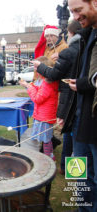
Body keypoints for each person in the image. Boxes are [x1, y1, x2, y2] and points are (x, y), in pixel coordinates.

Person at [32, 20, 82, 175]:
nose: (48, 40)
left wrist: (41, 67)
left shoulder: (68, 50)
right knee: (74, 135)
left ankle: (72, 171)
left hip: (69, 97)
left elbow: (54, 74)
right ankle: (72, 170)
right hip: (76, 96)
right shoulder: (82, 49)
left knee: (71, 134)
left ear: (69, 34)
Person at [63, 0, 97, 210]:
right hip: (80, 119)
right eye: (72, 12)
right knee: (78, 173)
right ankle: (80, 208)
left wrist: (84, 83)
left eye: (78, 10)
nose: (75, 16)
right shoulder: (86, 34)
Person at [19, 56, 59, 160]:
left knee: (45, 140)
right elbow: (40, 90)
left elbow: (37, 98)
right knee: (46, 138)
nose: (35, 70)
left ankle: (48, 158)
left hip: (44, 117)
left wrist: (29, 87)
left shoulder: (47, 83)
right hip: (44, 115)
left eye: (37, 67)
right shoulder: (46, 81)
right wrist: (29, 85)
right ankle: (49, 155)